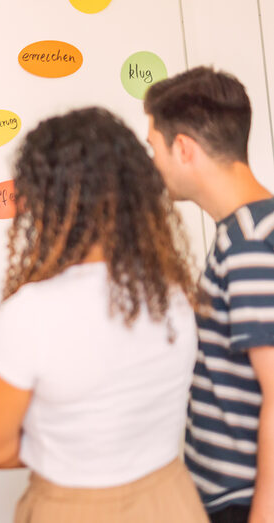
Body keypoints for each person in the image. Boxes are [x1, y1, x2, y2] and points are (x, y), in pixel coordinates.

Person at [0, 107, 208, 522]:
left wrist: (34, 443)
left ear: (44, 199)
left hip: (73, 509)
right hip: (173, 500)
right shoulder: (174, 296)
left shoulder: (31, 311)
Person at [145, 66, 274, 523]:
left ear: (183, 148)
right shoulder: (248, 232)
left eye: (153, 147)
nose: (152, 162)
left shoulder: (250, 244)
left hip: (244, 502)